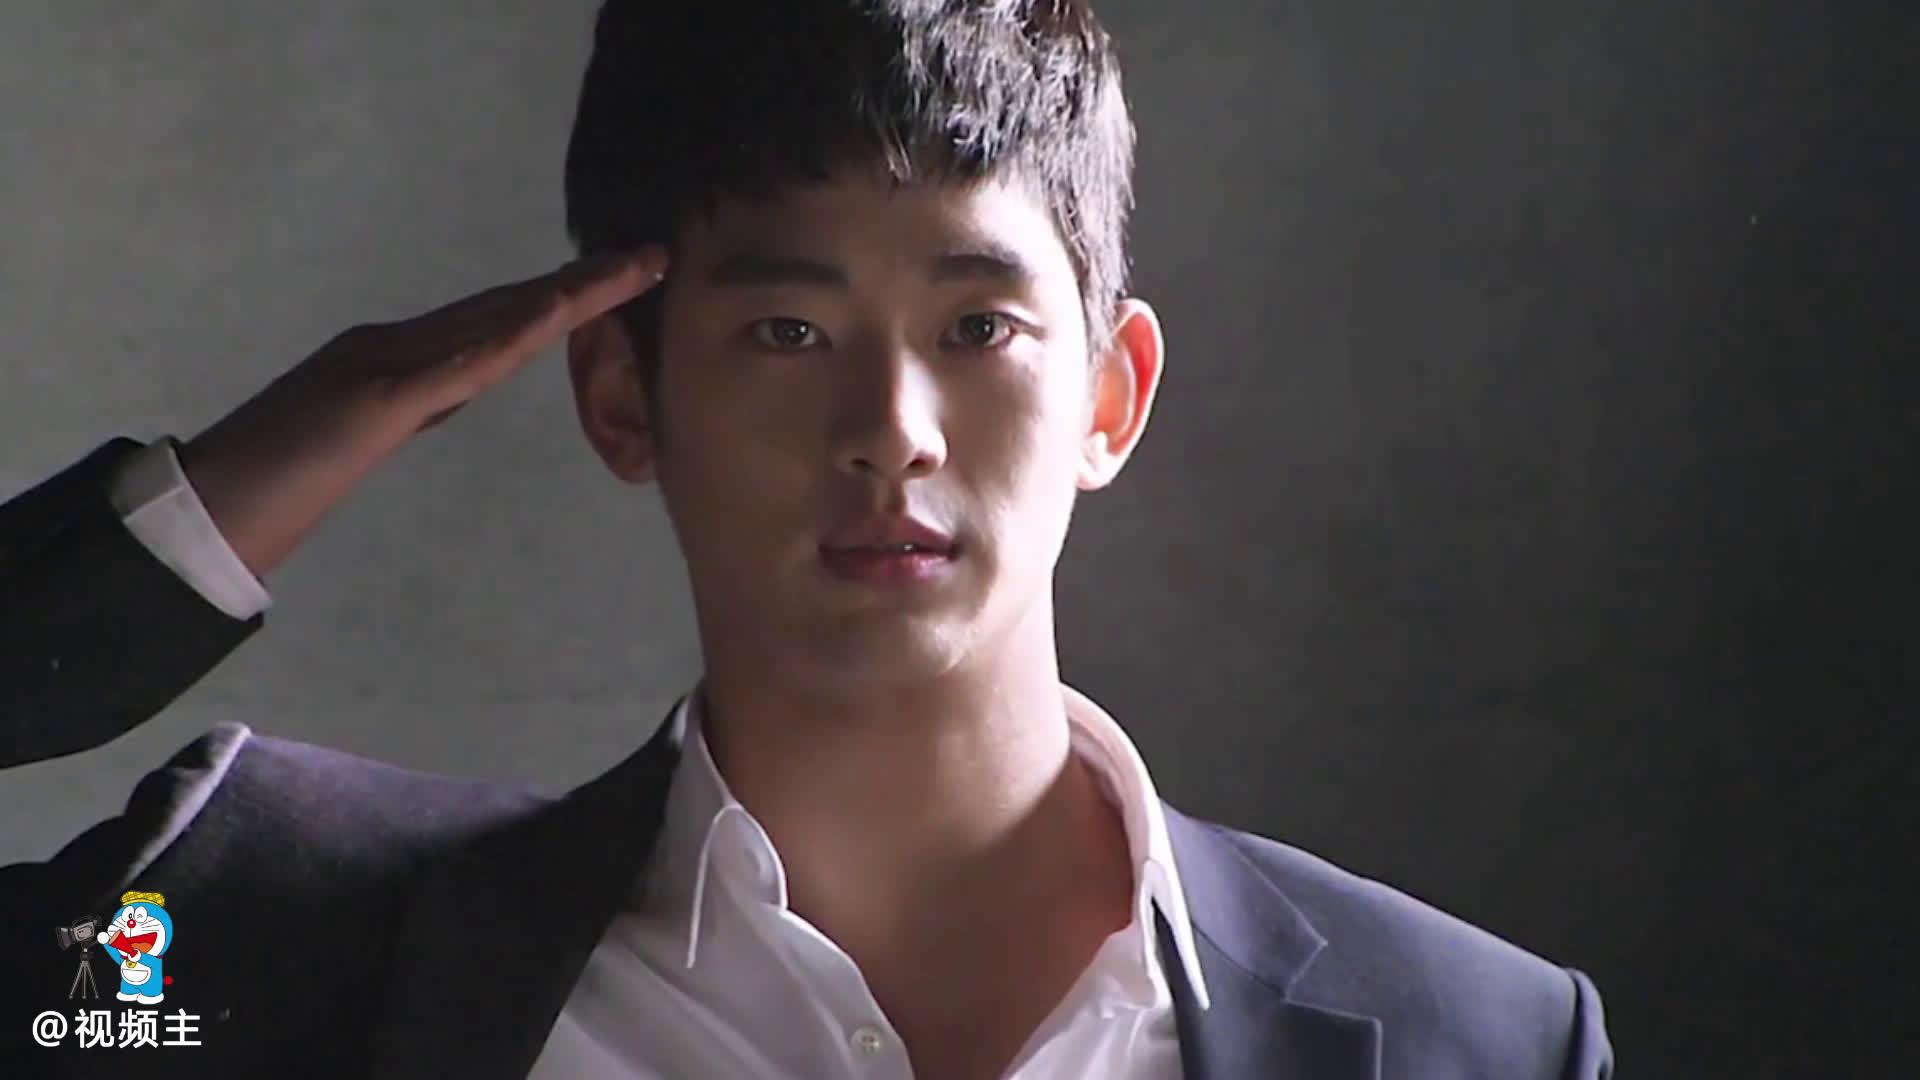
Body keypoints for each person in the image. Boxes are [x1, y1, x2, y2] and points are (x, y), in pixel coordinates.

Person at [0, 2, 1613, 1077]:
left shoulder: (1479, 1043)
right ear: (621, 397)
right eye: (786, 330)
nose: (890, 429)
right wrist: (253, 469)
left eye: (978, 328)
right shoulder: (263, 935)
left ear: (1112, 396)